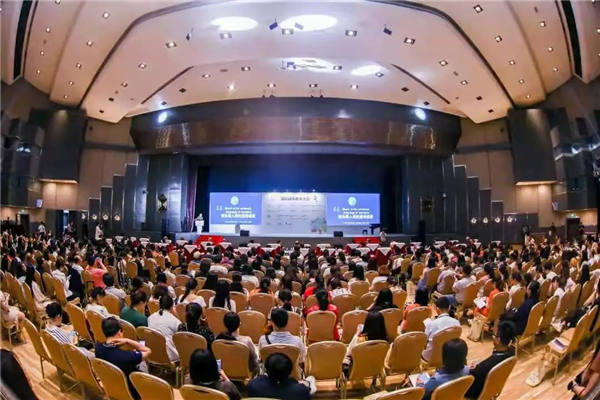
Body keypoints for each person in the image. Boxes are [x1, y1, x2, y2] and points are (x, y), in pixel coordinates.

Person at [95, 317, 151, 400]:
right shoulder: (128, 356)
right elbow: (148, 351)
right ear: (119, 332)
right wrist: (127, 340)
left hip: (112, 386)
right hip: (132, 391)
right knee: (142, 363)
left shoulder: (97, 347)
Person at [465, 321, 516, 399]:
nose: (492, 337)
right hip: (493, 388)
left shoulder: (484, 367)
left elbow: (471, 382)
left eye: (494, 335)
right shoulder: (512, 354)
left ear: (498, 340)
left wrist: (474, 369)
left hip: (476, 394)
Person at [246, 353, 311, 400]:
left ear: (266, 370)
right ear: (290, 371)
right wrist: (306, 384)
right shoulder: (301, 391)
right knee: (311, 379)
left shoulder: (253, 386)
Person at [423, 296, 460, 361]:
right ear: (449, 307)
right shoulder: (457, 323)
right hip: (449, 355)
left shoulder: (431, 324)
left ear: (437, 309)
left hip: (431, 358)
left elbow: (424, 341)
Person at [147, 295, 180, 362]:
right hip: (169, 356)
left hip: (152, 353)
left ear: (159, 305)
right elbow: (180, 340)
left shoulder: (150, 318)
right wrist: (176, 315)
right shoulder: (175, 321)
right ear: (172, 306)